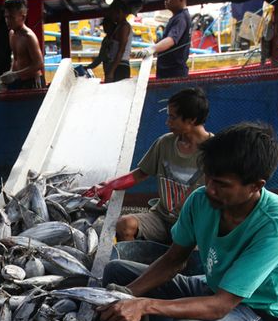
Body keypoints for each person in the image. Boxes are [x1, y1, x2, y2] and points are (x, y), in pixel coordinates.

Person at [97, 123, 278, 321]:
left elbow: (221, 306)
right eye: (208, 178)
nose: (210, 189)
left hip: (256, 315)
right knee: (118, 273)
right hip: (211, 288)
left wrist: (143, 305)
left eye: (222, 185)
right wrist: (128, 295)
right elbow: (173, 260)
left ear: (256, 186)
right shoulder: (200, 200)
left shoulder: (276, 224)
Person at [86, 87, 212, 242]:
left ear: (191, 119)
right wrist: (110, 185)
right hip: (161, 218)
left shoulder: (215, 151)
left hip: (195, 225)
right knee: (125, 225)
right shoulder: (165, 142)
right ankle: (133, 258)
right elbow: (140, 174)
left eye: (172, 118)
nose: (168, 122)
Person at [138, 0, 194, 79]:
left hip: (173, 74)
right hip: (170, 72)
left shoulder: (181, 18)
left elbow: (171, 39)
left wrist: (152, 49)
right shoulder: (178, 17)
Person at [0, 0, 44, 90]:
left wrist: (15, 75)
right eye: (6, 17)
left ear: (22, 17)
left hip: (32, 82)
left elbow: (39, 63)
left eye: (11, 17)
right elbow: (16, 58)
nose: (7, 21)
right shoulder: (11, 33)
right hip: (18, 81)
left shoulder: (29, 36)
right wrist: (9, 76)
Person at [105, 0, 134, 82]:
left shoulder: (124, 27)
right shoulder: (119, 26)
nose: (111, 15)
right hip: (116, 65)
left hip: (120, 66)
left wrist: (111, 71)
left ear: (119, 12)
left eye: (112, 13)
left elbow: (121, 50)